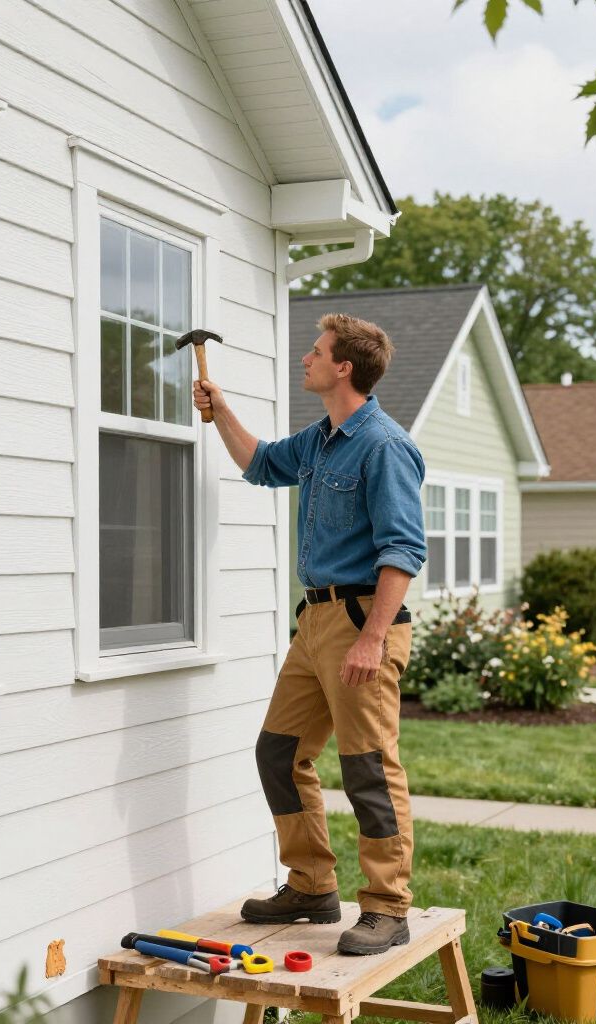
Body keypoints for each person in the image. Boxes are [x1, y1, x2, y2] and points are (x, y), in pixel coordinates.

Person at [193, 312, 426, 956]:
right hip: (315, 620)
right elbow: (262, 464)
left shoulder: (383, 446)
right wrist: (221, 412)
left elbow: (403, 550)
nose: (307, 358)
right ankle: (313, 886)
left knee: (368, 768)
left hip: (361, 621)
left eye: (317, 351)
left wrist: (372, 637)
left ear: (344, 367)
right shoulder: (323, 440)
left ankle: (386, 907)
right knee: (278, 752)